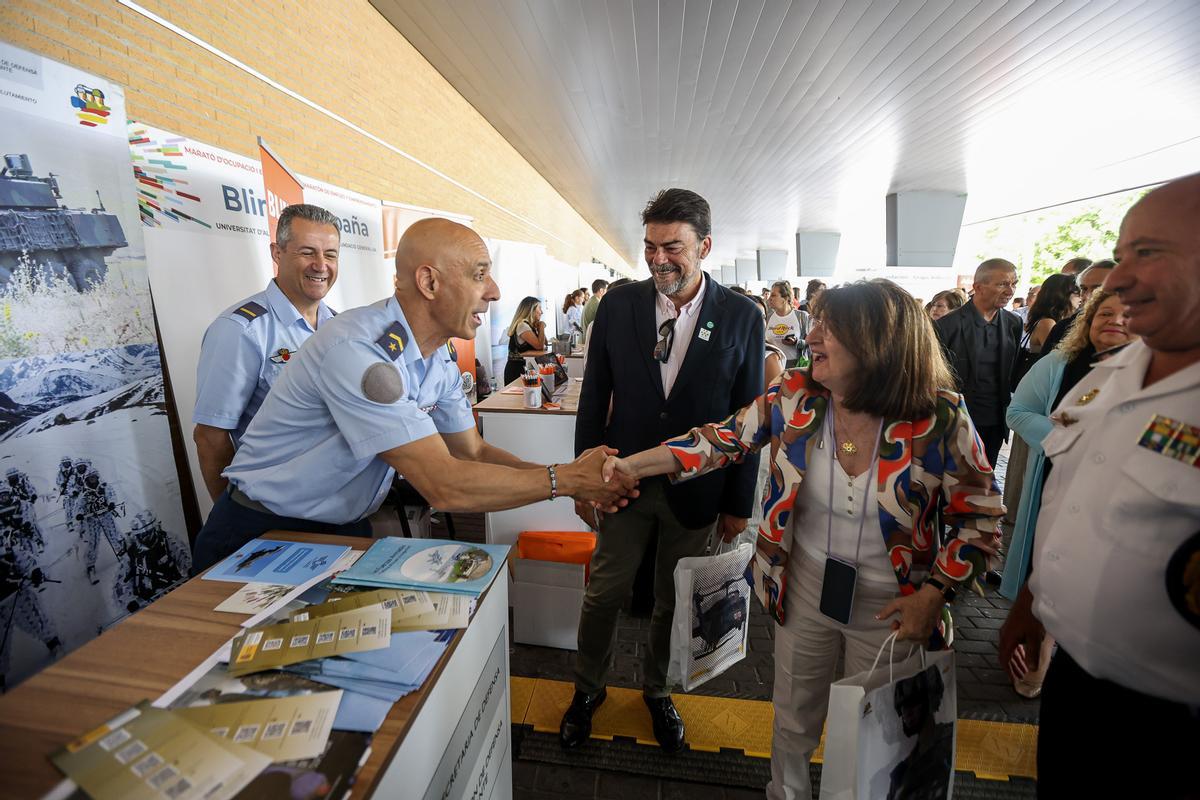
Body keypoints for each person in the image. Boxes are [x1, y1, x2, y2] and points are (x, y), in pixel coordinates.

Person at [601, 279, 1002, 798]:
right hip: (803, 587)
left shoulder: (939, 415)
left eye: (830, 327)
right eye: (815, 321)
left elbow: (981, 516)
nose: (812, 335)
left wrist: (934, 595)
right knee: (793, 717)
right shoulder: (795, 395)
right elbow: (717, 441)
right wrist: (625, 466)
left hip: (896, 609)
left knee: (877, 732)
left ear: (880, 341)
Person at [191, 218, 636, 571]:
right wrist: (569, 481)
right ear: (429, 283)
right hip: (266, 532)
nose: (495, 291)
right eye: (480, 275)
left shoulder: (434, 357)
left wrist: (566, 475)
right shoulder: (360, 351)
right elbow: (444, 485)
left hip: (340, 529)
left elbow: (472, 451)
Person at [998, 173, 1200, 799]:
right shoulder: (1109, 377)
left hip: (1171, 714)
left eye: (1149, 253)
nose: (1114, 278)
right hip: (1076, 682)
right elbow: (1074, 505)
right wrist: (1031, 606)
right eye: (1120, 254)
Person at [561, 188, 763, 754]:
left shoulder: (742, 316)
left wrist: (738, 504)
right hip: (621, 480)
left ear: (705, 246)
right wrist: (583, 475)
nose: (657, 260)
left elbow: (750, 419)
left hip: (700, 491)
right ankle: (587, 689)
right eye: (649, 247)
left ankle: (657, 690)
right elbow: (595, 395)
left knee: (674, 600)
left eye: (672, 247)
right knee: (604, 593)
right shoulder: (620, 306)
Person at [1000, 289, 1135, 697]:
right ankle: (1037, 652)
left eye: (1127, 314)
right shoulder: (1062, 366)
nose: (1114, 320)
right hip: (1057, 487)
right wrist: (1065, 442)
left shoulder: (1159, 381)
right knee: (1044, 570)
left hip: (1120, 510)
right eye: (1104, 313)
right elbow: (1019, 412)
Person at [193, 204, 341, 502]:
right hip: (274, 510)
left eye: (330, 254)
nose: (321, 265)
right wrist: (234, 513)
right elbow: (210, 437)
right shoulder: (240, 331)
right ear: (277, 253)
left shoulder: (340, 326)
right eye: (307, 252)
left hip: (338, 502)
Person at [934, 258, 1023, 466]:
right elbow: (936, 376)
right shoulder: (948, 325)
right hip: (957, 419)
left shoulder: (1013, 323)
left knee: (984, 483)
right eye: (1002, 284)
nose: (1010, 290)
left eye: (1014, 283)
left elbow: (1011, 371)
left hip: (995, 420)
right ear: (978, 287)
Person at [1040, 259, 1115, 354]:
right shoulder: (1064, 328)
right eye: (1084, 289)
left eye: (1097, 288)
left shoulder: (1131, 327)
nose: (1087, 296)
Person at [765, 280, 811, 367]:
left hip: (795, 365)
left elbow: (811, 343)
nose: (769, 298)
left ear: (785, 298)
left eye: (773, 295)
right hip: (773, 365)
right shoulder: (768, 317)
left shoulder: (801, 317)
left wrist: (797, 342)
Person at [503, 296, 547, 385]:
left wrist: (539, 328)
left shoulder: (529, 325)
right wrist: (542, 326)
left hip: (524, 368)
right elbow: (539, 346)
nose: (541, 312)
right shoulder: (522, 325)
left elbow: (545, 344)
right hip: (517, 370)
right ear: (531, 310)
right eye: (539, 308)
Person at [579, 278, 609, 344]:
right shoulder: (596, 303)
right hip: (590, 341)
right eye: (606, 290)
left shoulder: (591, 301)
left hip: (586, 339)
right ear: (601, 290)